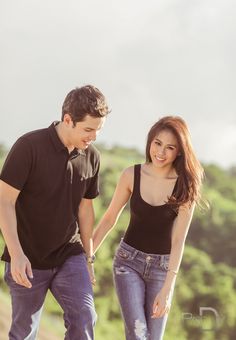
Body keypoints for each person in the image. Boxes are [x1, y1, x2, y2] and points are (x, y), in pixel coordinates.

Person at [0, 85, 110, 340]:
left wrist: (88, 257)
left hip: (68, 254)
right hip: (27, 257)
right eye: (88, 129)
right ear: (68, 119)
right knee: (24, 332)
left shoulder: (91, 156)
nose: (93, 136)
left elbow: (85, 208)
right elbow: (4, 201)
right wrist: (16, 254)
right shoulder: (29, 146)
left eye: (98, 130)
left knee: (85, 316)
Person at [93, 116, 205, 340]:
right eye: (157, 143)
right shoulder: (130, 175)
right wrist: (88, 255)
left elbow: (178, 240)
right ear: (149, 142)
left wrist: (168, 288)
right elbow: (109, 218)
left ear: (179, 152)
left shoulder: (185, 186)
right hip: (128, 263)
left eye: (170, 147)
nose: (161, 152)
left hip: (162, 270)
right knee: (137, 335)